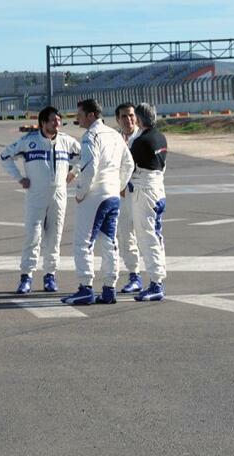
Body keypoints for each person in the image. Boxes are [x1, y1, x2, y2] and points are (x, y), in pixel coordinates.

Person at [0, 106, 81, 294]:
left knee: (55, 237)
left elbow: (84, 157)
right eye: (53, 120)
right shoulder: (29, 141)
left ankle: (50, 276)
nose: (57, 123)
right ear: (43, 123)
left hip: (59, 196)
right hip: (36, 195)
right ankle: (26, 277)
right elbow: (4, 157)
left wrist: (73, 172)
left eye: (59, 120)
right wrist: (19, 178)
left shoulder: (67, 141)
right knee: (32, 236)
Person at [63, 99, 134, 305]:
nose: (77, 118)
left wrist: (80, 192)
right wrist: (118, 185)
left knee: (83, 242)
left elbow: (90, 167)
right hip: (112, 194)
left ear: (91, 115)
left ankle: (85, 288)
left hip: (94, 195)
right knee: (109, 241)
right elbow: (128, 163)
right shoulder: (115, 134)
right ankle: (109, 287)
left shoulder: (90, 136)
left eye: (80, 114)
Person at [128, 103, 168, 301]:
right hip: (159, 188)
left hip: (144, 190)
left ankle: (155, 283)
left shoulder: (140, 141)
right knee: (156, 235)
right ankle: (158, 277)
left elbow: (129, 167)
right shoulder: (160, 137)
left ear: (140, 119)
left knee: (146, 236)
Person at [114, 103, 144, 295]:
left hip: (141, 195)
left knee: (147, 237)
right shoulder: (114, 139)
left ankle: (155, 278)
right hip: (121, 196)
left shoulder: (143, 138)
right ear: (118, 119)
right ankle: (134, 276)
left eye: (131, 115)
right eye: (124, 116)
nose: (129, 120)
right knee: (125, 237)